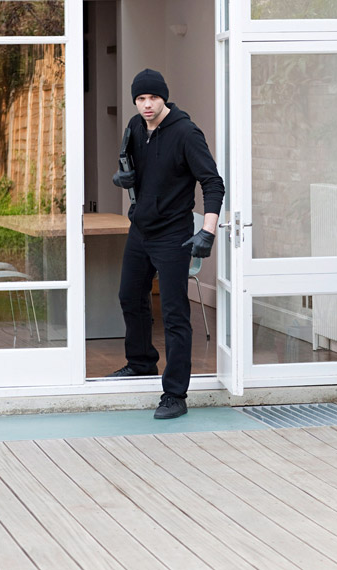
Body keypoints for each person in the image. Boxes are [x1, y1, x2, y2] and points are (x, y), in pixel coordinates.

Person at [108, 68, 224, 420]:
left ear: (164, 98)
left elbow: (213, 183)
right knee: (130, 295)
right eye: (140, 99)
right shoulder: (136, 127)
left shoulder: (186, 133)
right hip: (141, 229)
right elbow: (130, 168)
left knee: (175, 314)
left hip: (174, 234)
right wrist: (121, 177)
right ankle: (141, 362)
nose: (146, 105)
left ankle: (175, 393)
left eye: (152, 98)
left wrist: (207, 231)